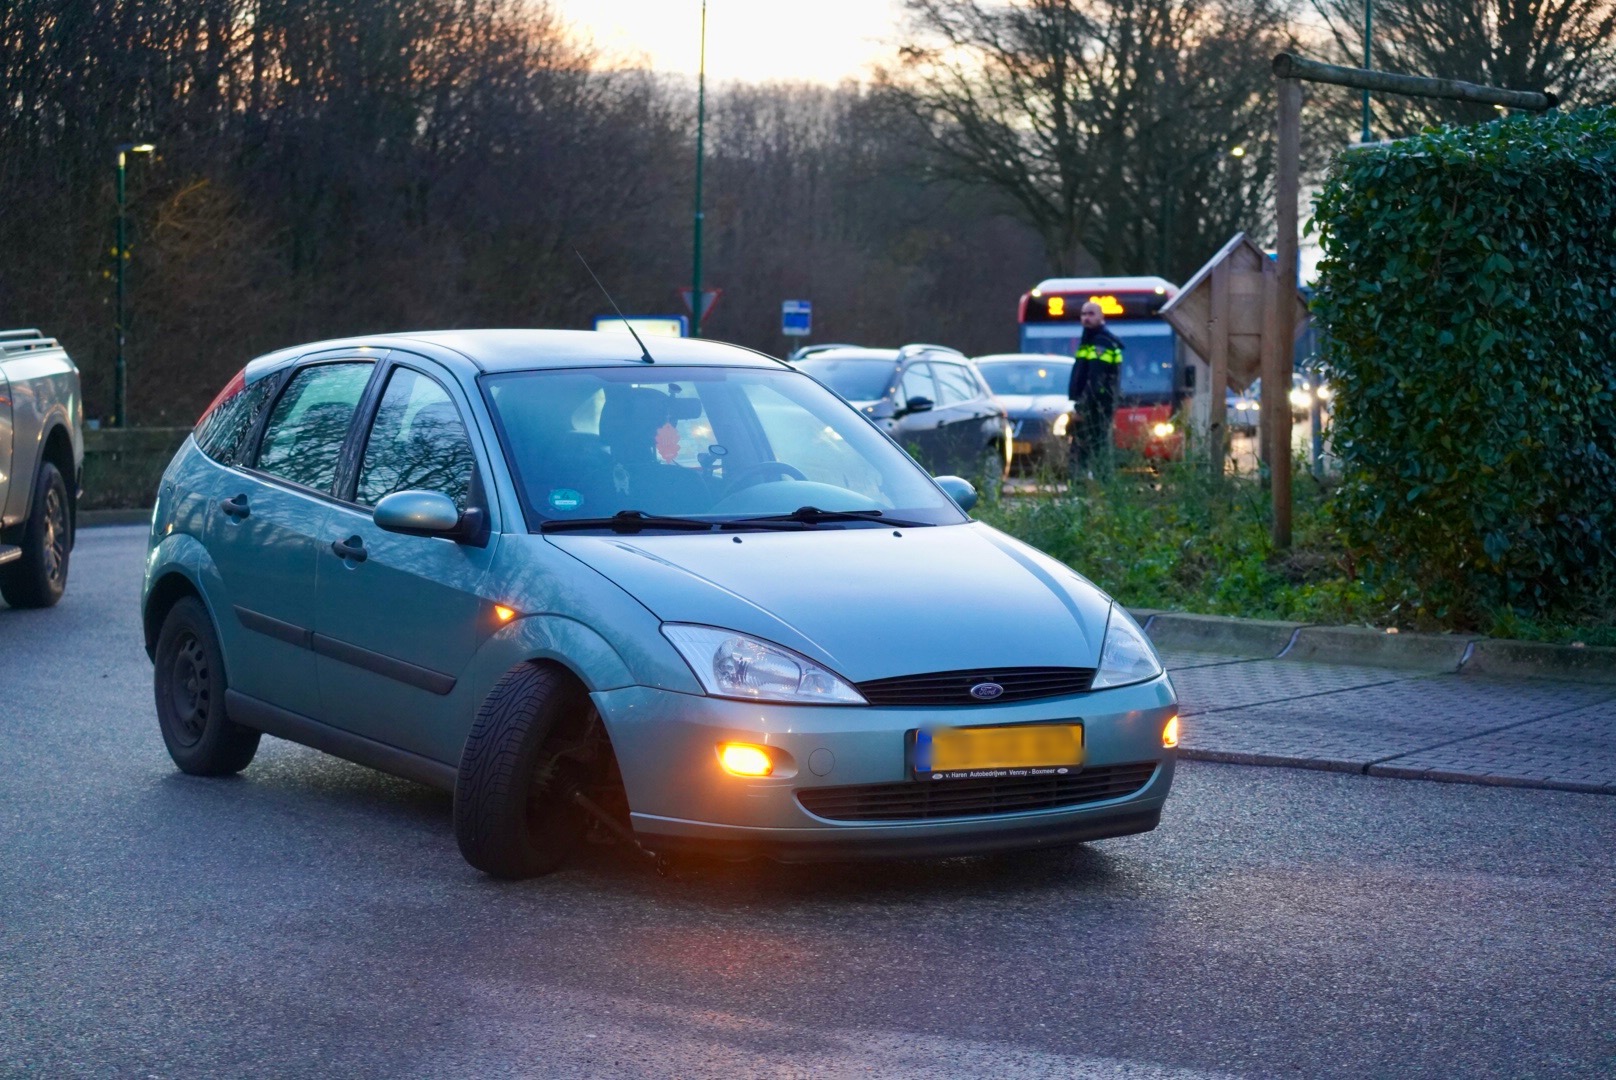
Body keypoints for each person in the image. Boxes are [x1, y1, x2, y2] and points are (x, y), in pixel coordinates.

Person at [1066, 300, 1125, 478]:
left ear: (1101, 317)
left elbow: (1095, 380)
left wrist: (1082, 408)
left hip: (1096, 407)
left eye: (1091, 314)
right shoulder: (1089, 340)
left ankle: (1086, 491)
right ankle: (1097, 489)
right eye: (1083, 314)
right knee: (1093, 449)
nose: (1086, 318)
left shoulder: (1101, 342)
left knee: (1086, 450)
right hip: (1094, 406)